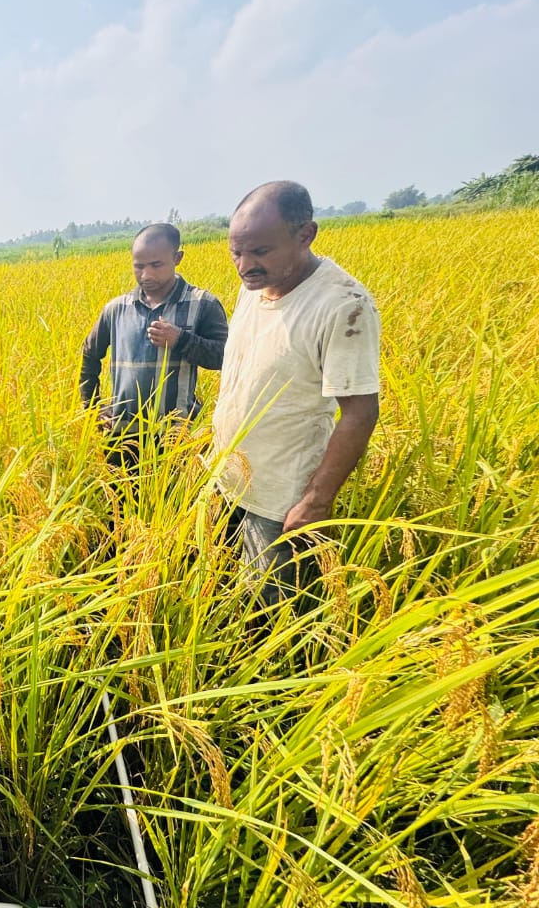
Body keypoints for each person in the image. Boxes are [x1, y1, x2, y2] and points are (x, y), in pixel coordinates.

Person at [211, 180, 380, 601]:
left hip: (280, 500)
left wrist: (316, 501)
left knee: (271, 613)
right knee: (223, 596)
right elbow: (245, 373)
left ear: (306, 235)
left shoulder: (343, 305)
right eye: (236, 252)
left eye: (260, 252)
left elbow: (360, 412)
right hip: (226, 482)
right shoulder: (253, 287)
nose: (245, 264)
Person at [79, 223, 228, 468]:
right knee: (120, 503)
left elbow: (226, 357)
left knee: (174, 503)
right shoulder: (117, 309)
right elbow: (89, 354)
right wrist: (92, 408)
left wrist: (181, 339)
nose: (146, 275)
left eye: (156, 265)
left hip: (177, 437)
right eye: (139, 266)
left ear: (177, 258)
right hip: (122, 436)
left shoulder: (202, 304)